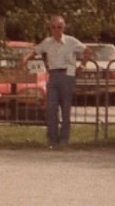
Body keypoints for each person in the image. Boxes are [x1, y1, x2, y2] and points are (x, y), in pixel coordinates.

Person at [35, 14, 92, 148]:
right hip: (53, 75)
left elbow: (88, 51)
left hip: (67, 75)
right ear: (50, 28)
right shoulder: (47, 42)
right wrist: (25, 58)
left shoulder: (71, 41)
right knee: (51, 107)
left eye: (59, 27)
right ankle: (52, 139)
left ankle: (64, 139)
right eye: (53, 27)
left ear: (63, 28)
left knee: (66, 108)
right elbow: (36, 51)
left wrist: (82, 66)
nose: (56, 30)